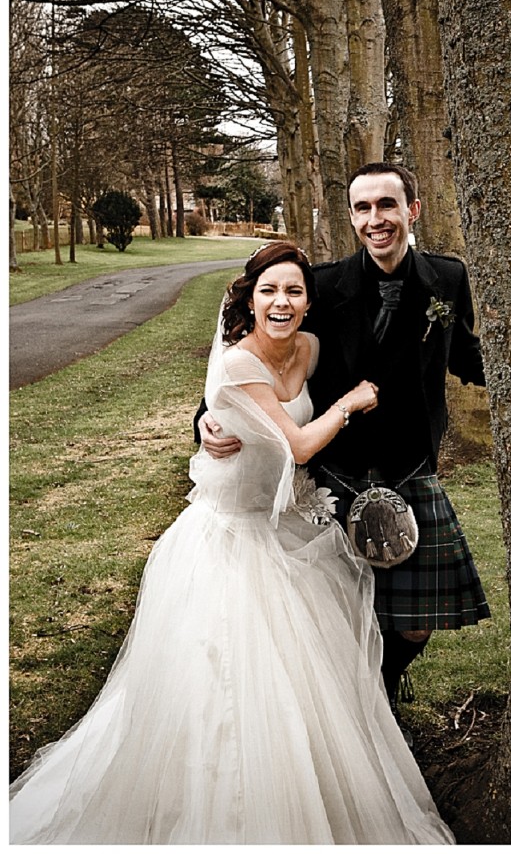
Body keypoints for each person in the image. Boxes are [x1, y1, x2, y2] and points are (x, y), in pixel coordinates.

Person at [9, 241, 454, 845]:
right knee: (229, 675)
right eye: (268, 289)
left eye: (294, 291)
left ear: (307, 303)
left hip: (288, 525)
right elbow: (295, 442)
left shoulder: (313, 347)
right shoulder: (239, 361)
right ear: (248, 297)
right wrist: (329, 405)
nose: (282, 301)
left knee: (311, 669)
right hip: (231, 533)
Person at [199, 163, 490, 744]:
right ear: (353, 215)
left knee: (414, 626)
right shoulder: (324, 288)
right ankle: (349, 726)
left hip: (411, 468)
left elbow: (464, 357)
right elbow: (256, 358)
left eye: (387, 205)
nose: (374, 219)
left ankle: (372, 701)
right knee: (334, 611)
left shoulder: (447, 280)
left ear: (413, 209)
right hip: (335, 469)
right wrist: (204, 420)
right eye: (362, 208)